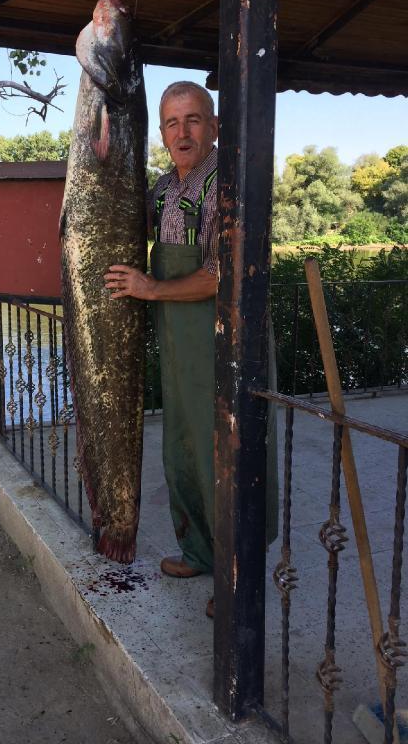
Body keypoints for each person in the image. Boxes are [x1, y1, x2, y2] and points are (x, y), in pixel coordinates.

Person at [104, 81, 278, 618]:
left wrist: (151, 288)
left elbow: (221, 274)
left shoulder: (227, 185)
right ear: (161, 132)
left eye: (193, 120)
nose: (182, 132)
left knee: (226, 454)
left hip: (226, 343)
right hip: (180, 346)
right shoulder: (162, 190)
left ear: (215, 125)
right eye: (171, 123)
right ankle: (199, 551)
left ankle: (238, 575)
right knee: (182, 447)